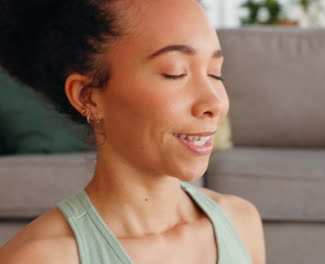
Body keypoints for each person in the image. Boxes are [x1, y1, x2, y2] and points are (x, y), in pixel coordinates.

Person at [0, 0, 266, 263]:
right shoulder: (43, 257)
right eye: (175, 73)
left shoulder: (241, 223)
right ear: (89, 98)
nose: (215, 104)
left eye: (215, 73)